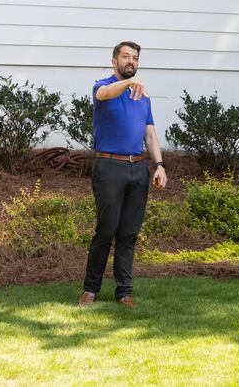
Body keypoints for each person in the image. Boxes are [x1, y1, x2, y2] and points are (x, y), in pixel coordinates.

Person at [79, 41, 167, 307]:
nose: (131, 61)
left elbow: (149, 133)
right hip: (109, 167)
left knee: (129, 233)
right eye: (126, 56)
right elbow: (104, 94)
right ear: (114, 61)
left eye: (135, 58)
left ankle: (124, 292)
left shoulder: (144, 97)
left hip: (138, 169)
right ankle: (90, 290)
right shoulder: (103, 86)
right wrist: (129, 84)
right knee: (106, 231)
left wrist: (160, 165)